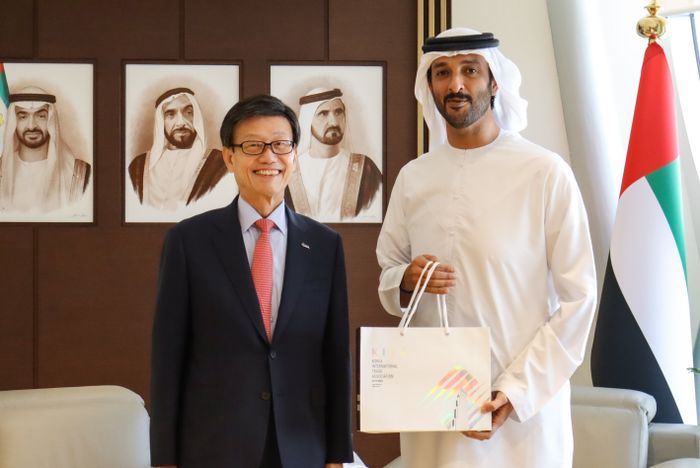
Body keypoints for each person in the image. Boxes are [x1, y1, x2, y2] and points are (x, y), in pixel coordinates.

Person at [376, 27, 597, 468]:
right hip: (436, 401)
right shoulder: (413, 177)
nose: (455, 84)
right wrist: (406, 279)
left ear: (494, 82)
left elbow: (579, 299)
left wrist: (513, 392)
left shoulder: (544, 172)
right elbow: (388, 269)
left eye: (470, 71)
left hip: (523, 412)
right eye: (442, 72)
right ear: (430, 86)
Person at [149, 94, 353, 468]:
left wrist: (337, 455)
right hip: (214, 448)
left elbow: (336, 357)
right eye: (253, 146)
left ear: (294, 154)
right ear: (229, 157)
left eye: (280, 145)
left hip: (302, 447)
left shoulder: (325, 245)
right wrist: (164, 459)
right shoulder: (188, 241)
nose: (268, 157)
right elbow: (167, 359)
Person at [286, 87, 381, 222]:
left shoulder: (366, 168)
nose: (334, 122)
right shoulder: (288, 172)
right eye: (323, 114)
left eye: (338, 112)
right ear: (308, 120)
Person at [128, 87, 227, 210]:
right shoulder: (138, 166)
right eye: (171, 114)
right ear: (161, 121)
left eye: (188, 112)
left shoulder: (219, 163)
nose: (181, 123)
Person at [0, 87, 91, 212]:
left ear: (51, 120)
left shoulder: (79, 174)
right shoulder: (2, 169)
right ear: (14, 121)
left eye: (41, 116)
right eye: (23, 117)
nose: (31, 126)